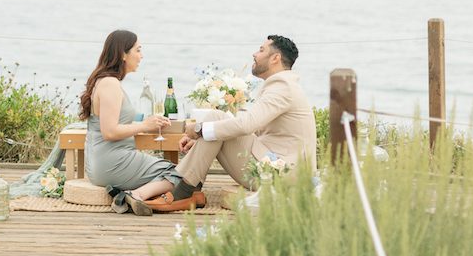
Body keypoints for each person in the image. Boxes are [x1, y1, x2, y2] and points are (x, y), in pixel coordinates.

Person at [135, 34, 317, 214]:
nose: (255, 54)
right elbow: (250, 127)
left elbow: (247, 125)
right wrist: (201, 139)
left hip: (281, 175)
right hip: (272, 162)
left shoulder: (282, 87)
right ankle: (188, 189)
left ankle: (183, 190)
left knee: (214, 121)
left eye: (261, 50)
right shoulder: (283, 85)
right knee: (216, 118)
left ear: (275, 58)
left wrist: (198, 130)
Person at [79, 29, 190, 216]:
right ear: (123, 54)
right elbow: (110, 132)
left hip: (105, 161)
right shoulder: (110, 84)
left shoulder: (107, 82)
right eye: (138, 50)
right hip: (111, 162)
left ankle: (133, 194)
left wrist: (145, 120)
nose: (141, 56)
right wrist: (145, 126)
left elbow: (115, 119)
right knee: (182, 175)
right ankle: (134, 195)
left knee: (171, 171)